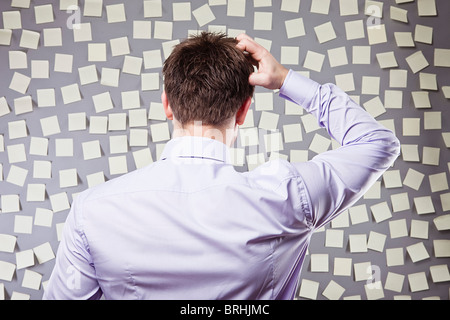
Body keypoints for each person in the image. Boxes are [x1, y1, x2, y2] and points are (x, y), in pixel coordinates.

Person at [43, 32, 400, 300]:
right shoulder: (288, 196)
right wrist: (285, 80)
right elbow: (378, 143)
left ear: (167, 104)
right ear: (244, 110)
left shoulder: (93, 210)